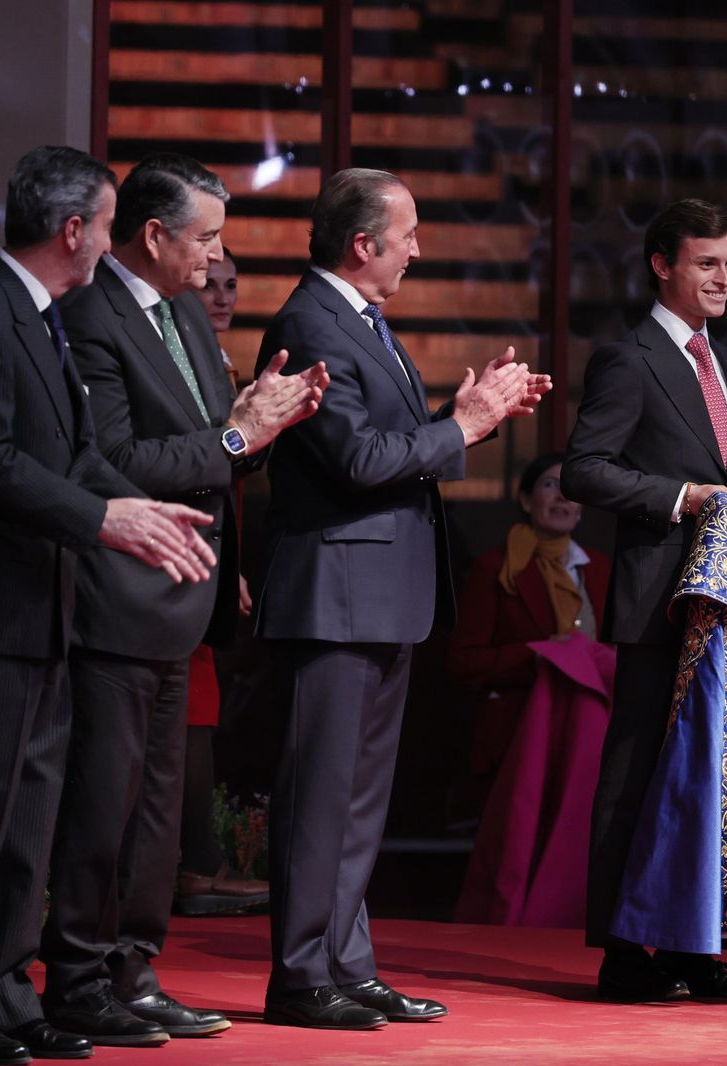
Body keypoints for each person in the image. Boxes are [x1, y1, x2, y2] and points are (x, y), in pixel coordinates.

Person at [0, 145, 220, 1066]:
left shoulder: (40, 313)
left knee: (27, 820)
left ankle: (6, 993)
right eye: (109, 225)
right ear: (74, 230)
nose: (113, 243)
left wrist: (132, 511)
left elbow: (79, 455)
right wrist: (102, 517)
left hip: (48, 605)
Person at [254, 167, 551, 1030]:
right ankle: (301, 976)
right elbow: (356, 459)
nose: (418, 250)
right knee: (321, 796)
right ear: (363, 244)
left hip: (379, 593)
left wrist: (464, 412)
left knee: (358, 802)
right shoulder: (311, 323)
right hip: (335, 594)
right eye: (408, 234)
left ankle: (347, 965)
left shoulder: (360, 320)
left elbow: (390, 441)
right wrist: (464, 425)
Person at [40, 153, 326, 1046]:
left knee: (161, 813)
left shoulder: (188, 317)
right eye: (205, 239)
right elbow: (113, 461)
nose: (216, 257)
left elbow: (219, 445)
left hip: (187, 596)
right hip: (116, 596)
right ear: (155, 234)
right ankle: (78, 976)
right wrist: (239, 433)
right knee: (103, 804)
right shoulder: (89, 318)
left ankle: (134, 968)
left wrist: (267, 420)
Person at [561, 197, 727, 1002]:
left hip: (722, 604)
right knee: (636, 774)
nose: (724, 277)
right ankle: (622, 954)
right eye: (706, 263)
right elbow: (585, 469)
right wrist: (682, 497)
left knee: (705, 777)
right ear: (662, 266)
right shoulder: (629, 358)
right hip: (655, 603)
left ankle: (690, 946)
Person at [451, 451, 612, 928]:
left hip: (588, 743)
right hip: (518, 738)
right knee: (512, 857)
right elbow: (463, 661)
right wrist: (539, 655)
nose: (563, 497)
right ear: (525, 500)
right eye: (549, 485)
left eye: (573, 489)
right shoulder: (496, 568)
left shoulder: (601, 569)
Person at [175, 245, 272, 915]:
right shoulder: (178, 357)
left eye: (231, 285)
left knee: (199, 706)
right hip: (176, 549)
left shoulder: (222, 362)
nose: (222, 296)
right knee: (188, 708)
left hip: (212, 548)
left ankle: (195, 861)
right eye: (209, 283)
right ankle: (193, 865)